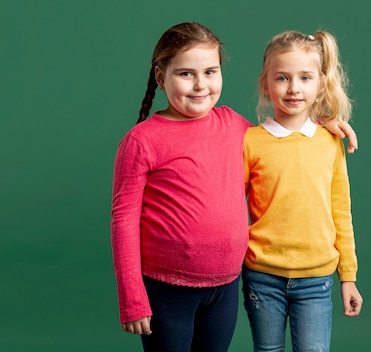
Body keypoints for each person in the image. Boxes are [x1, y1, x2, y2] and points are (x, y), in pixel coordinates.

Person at [110, 22, 357, 352]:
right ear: (160, 78)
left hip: (225, 286)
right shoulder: (142, 141)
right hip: (168, 289)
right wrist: (132, 298)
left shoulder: (235, 127)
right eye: (186, 74)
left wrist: (325, 122)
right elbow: (123, 223)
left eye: (211, 71)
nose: (201, 85)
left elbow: (284, 137)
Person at [242, 30, 364, 352]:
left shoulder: (329, 141)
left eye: (305, 77)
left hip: (317, 279)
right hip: (261, 277)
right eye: (282, 78)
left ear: (319, 84)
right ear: (266, 85)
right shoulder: (249, 141)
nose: (294, 88)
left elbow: (341, 210)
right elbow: (228, 204)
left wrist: (348, 276)